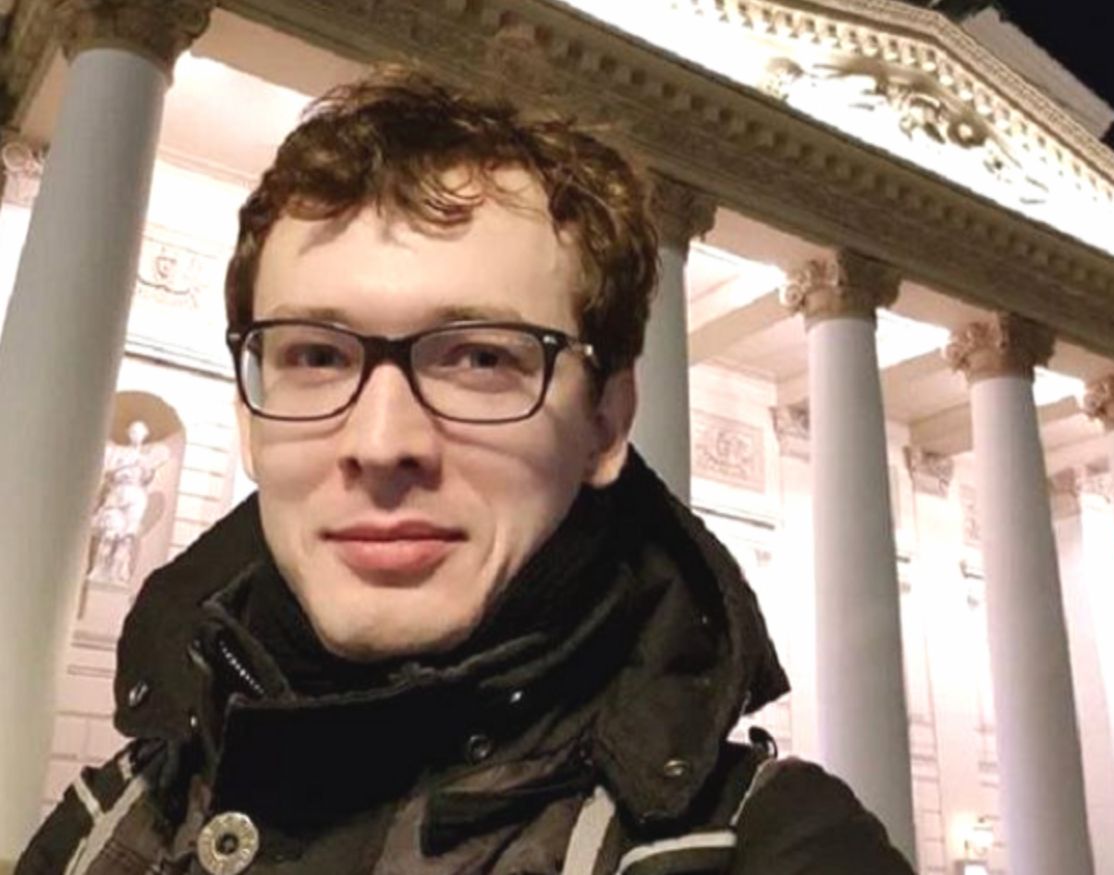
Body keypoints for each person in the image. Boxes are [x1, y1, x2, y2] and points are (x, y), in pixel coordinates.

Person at [17, 69, 914, 875]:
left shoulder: (771, 846)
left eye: (481, 358)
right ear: (248, 421)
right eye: (316, 355)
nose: (381, 443)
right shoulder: (103, 824)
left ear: (606, 423)